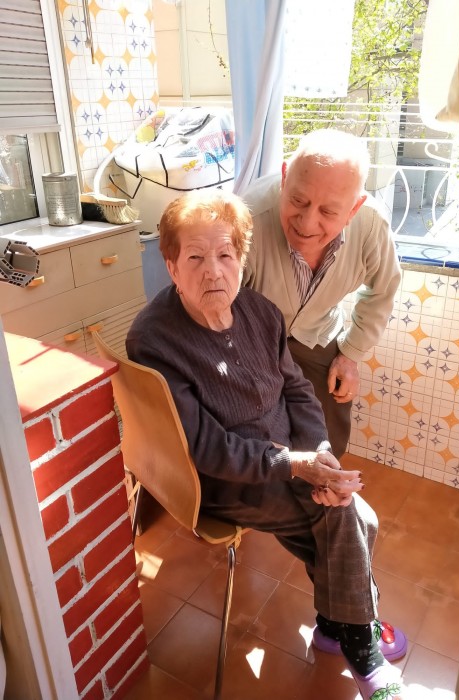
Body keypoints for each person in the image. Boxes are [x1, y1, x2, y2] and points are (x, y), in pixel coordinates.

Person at [126, 190, 408, 700]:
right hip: (222, 480)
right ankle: (358, 643)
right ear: (171, 267)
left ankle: (336, 625)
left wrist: (319, 450)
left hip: (286, 461)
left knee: (344, 515)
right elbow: (205, 447)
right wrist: (297, 466)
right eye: (195, 257)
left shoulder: (261, 313)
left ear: (241, 259)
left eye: (225, 254)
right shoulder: (155, 339)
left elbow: (297, 390)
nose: (214, 272)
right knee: (350, 518)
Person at [242, 128, 401, 458]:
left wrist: (351, 353)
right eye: (298, 201)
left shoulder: (371, 225)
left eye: (328, 212)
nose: (307, 223)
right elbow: (215, 309)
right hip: (250, 336)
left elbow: (383, 290)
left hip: (316, 331)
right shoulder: (246, 219)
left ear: (354, 209)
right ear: (284, 178)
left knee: (327, 423)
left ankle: (323, 483)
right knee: (253, 425)